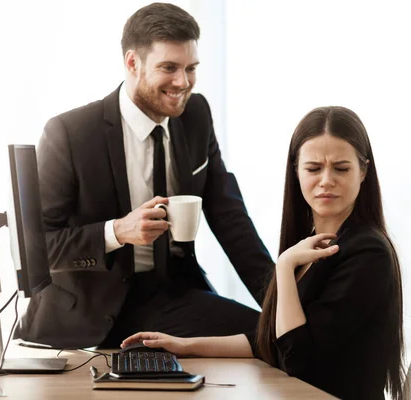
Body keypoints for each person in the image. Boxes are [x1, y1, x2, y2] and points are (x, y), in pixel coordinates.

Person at [15, 3, 274, 349]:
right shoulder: (70, 134)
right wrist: (117, 231)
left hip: (172, 293)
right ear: (133, 63)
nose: (183, 82)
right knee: (267, 342)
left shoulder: (196, 115)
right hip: (91, 312)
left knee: (277, 336)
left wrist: (279, 302)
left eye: (191, 68)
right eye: (169, 67)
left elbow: (229, 217)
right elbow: (38, 248)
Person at [122, 106, 405, 399]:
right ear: (295, 171)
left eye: (341, 168)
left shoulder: (368, 254)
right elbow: (273, 342)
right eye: (313, 168)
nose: (326, 180)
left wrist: (284, 267)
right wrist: (183, 345)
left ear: (363, 172)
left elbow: (300, 364)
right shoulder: (313, 245)